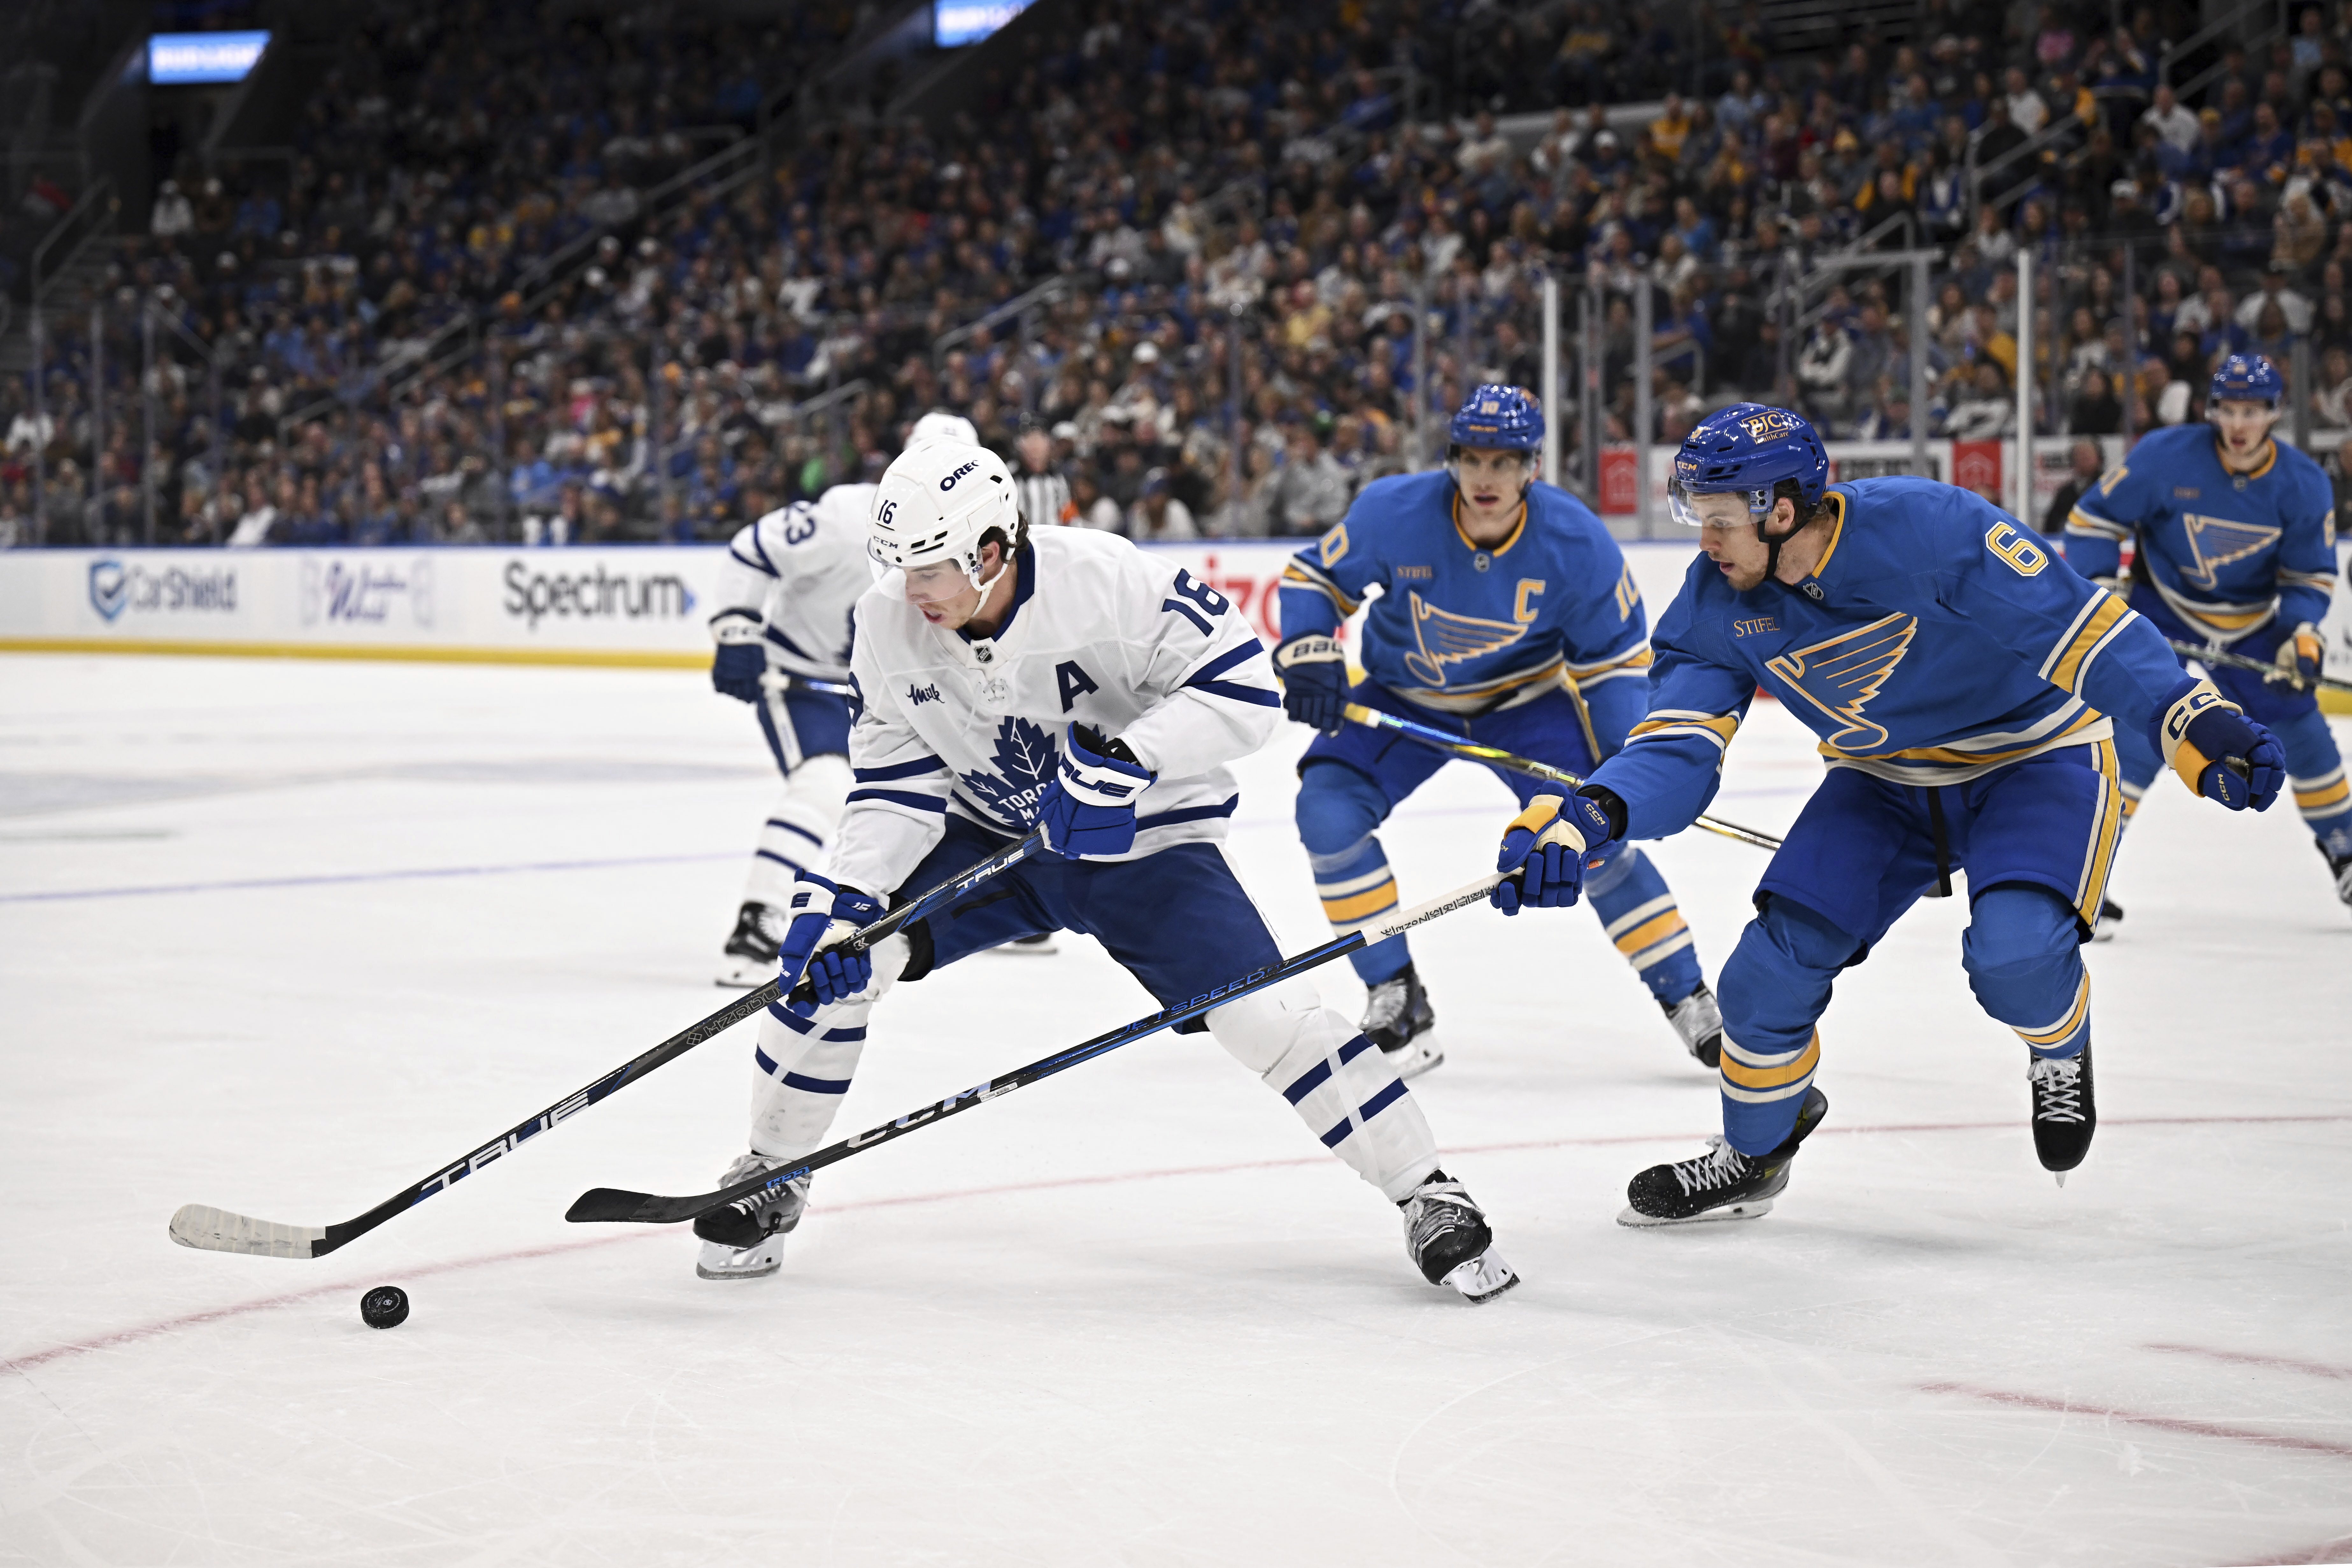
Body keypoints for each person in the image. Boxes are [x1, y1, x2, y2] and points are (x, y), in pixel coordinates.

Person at [692, 436, 1516, 1304]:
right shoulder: (885, 621)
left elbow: (1244, 690)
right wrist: (853, 895)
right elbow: (897, 780)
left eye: (929, 567)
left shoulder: (1109, 580)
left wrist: (1126, 761)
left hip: (1144, 841)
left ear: (991, 548)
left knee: (1263, 1016)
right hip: (990, 839)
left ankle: (1426, 1188)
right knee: (832, 967)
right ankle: (774, 1168)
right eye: (897, 567)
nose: (910, 589)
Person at [1488, 403, 2284, 1225]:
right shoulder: (1711, 606)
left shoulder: (1930, 528)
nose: (1705, 542)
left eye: (1720, 520)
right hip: (1880, 782)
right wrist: (1590, 813)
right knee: (1762, 979)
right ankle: (1755, 1153)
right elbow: (1678, 750)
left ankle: (2058, 1044)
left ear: (1781, 511)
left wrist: (2186, 717)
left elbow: (2078, 629)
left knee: (2014, 954)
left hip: (2031, 757)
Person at [1274, 386, 1724, 1079]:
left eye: (1505, 461)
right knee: (1325, 812)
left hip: (1528, 705)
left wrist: (1622, 776)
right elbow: (1314, 576)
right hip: (1405, 697)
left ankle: (1688, 994)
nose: (1487, 477)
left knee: (1592, 838)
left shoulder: (1576, 542)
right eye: (1472, 458)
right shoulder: (1393, 512)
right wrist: (1308, 645)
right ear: (1452, 460)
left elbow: (1610, 669)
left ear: (1533, 467)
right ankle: (1395, 993)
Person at [2063, 354, 2350, 912]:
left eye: (2253, 411)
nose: (2239, 426)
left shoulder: (2303, 484)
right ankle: (2083, 865)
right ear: (2212, 410)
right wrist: (2102, 587)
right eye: (2229, 410)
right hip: (2160, 610)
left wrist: (2302, 636)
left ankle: (2347, 851)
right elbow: (2092, 521)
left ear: (2274, 413)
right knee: (2136, 731)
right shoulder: (2166, 456)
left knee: (2301, 725)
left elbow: (2307, 573)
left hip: (2252, 623)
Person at [706, 410, 983, 987]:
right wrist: (736, 627)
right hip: (809, 681)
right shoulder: (842, 519)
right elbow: (753, 549)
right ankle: (759, 916)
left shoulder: (978, 543)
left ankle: (991, 904)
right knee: (827, 782)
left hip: (894, 693)